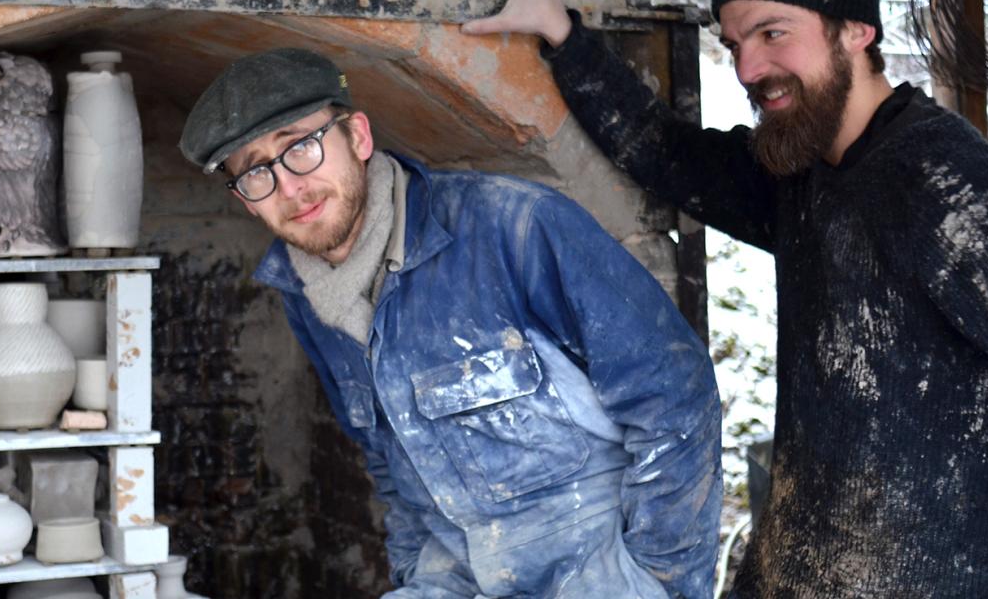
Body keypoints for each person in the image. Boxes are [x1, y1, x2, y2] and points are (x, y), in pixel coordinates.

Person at [464, 0, 988, 596]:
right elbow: (670, 155)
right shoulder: (807, 170)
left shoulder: (938, 182)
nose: (749, 68)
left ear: (856, 30)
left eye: (772, 33)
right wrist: (560, 30)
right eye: (734, 46)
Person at [179, 48, 722, 598]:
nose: (289, 187)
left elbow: (674, 397)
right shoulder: (306, 295)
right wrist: (417, 577)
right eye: (255, 172)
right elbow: (386, 464)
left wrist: (659, 580)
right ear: (247, 201)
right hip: (454, 577)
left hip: (594, 571)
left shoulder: (513, 228)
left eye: (301, 147)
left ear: (358, 138)